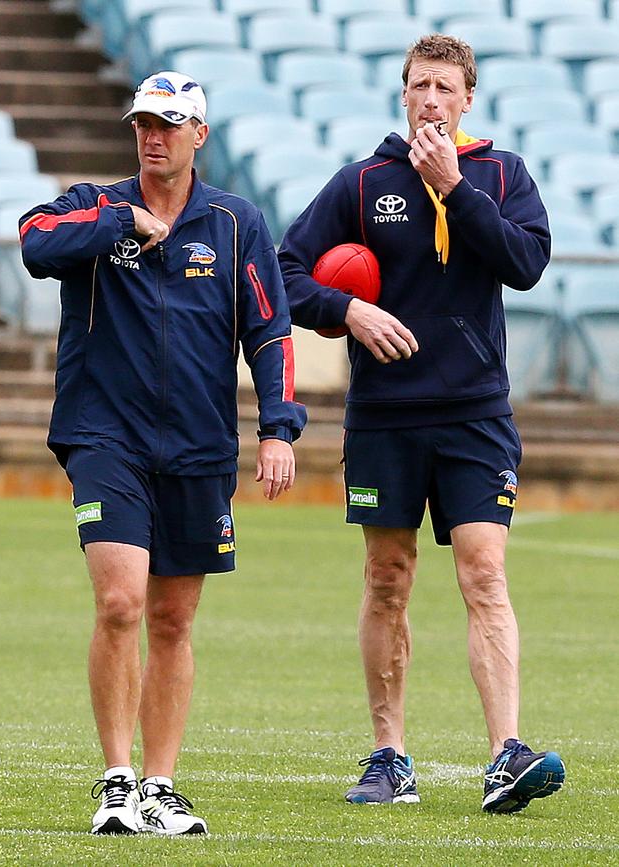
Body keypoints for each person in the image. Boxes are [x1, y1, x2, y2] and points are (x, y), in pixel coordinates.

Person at [278, 34, 565, 814]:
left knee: (483, 571)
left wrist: (457, 189)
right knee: (386, 580)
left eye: (444, 86)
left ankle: (506, 753)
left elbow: (526, 262)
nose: (430, 98)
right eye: (418, 85)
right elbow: (285, 271)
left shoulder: (503, 176)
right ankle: (388, 755)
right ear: (403, 94)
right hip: (384, 418)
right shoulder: (363, 182)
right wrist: (349, 309)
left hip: (475, 415)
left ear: (468, 97)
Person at [19, 71, 306, 836]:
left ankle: (159, 783)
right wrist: (121, 222)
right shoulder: (93, 204)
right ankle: (116, 779)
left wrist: (278, 428)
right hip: (103, 434)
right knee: (121, 602)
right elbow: (33, 243)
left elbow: (271, 330)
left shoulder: (237, 223)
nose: (153, 136)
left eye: (170, 124)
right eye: (144, 123)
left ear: (199, 136)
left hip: (200, 445)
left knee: (174, 620)